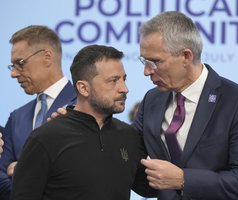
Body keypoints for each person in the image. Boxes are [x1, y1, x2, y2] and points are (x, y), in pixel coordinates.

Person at [133, 11, 238, 200]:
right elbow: (127, 151)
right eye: (144, 61)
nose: (146, 71)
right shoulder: (152, 99)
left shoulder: (237, 101)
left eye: (155, 62)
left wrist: (183, 179)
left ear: (186, 56)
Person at [10, 45, 156, 200]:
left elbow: (152, 187)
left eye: (123, 79)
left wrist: (183, 178)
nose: (124, 89)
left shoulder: (129, 136)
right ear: (83, 88)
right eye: (113, 81)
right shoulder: (45, 138)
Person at [0, 25, 76, 200]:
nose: (13, 73)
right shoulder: (16, 117)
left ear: (47, 57)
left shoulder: (83, 108)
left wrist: (22, 170)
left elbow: (81, 173)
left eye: (20, 63)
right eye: (12, 66)